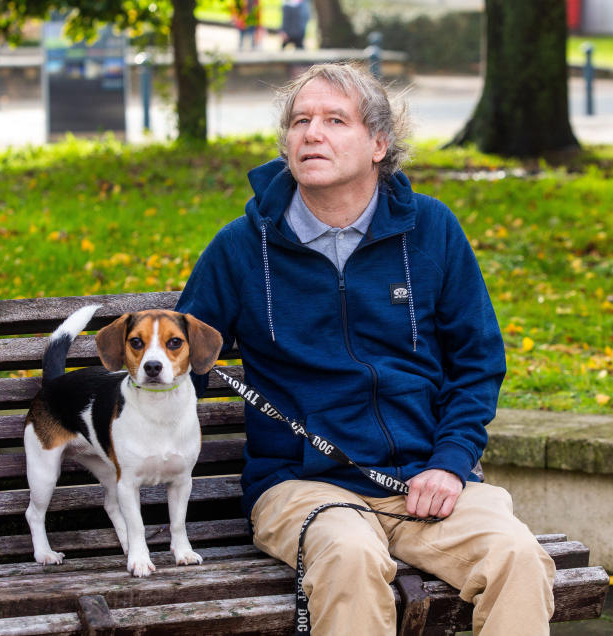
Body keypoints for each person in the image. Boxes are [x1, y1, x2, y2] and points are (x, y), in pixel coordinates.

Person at [176, 63, 555, 635]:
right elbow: (180, 358)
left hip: (426, 483)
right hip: (303, 488)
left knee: (517, 556)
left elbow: (476, 364)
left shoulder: (431, 229)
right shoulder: (240, 246)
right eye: (300, 121)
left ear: (379, 143)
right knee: (350, 558)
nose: (311, 134)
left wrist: (450, 465)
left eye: (334, 120)